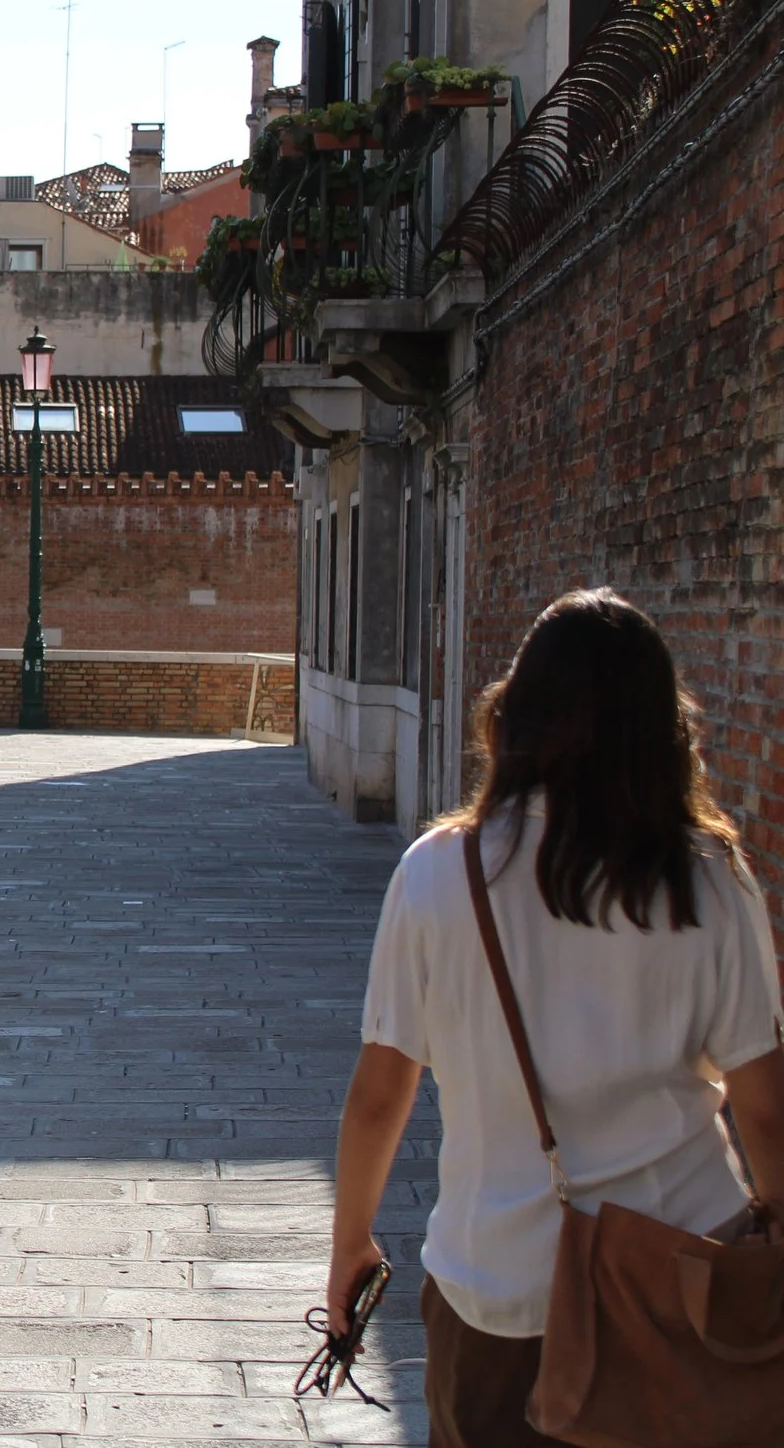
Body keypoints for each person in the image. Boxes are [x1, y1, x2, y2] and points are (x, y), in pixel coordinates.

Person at [327, 589, 784, 1446]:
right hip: (683, 1277)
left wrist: (351, 1242)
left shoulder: (438, 874)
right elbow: (763, 1107)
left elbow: (380, 1094)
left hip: (496, 1289)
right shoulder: (708, 878)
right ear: (661, 728)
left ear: (514, 716)